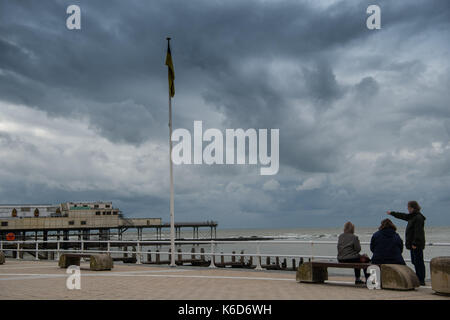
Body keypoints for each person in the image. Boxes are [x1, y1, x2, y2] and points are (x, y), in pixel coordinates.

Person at [387, 201, 426, 285]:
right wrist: (392, 213)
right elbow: (403, 216)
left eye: (408, 207)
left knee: (419, 262)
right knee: (415, 261)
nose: (407, 209)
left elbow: (418, 232)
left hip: (416, 244)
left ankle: (421, 279)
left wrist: (415, 243)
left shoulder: (418, 217)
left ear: (412, 208)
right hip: (412, 244)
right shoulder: (412, 216)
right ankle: (419, 278)